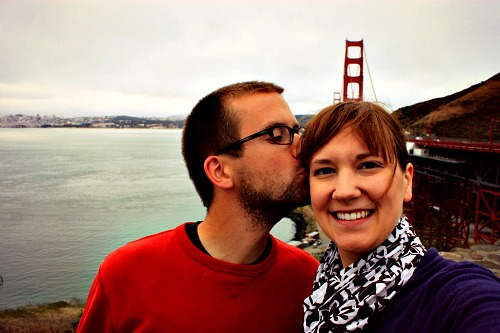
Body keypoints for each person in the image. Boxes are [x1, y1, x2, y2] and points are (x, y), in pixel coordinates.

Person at [77, 81, 319, 332]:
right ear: (220, 171)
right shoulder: (126, 274)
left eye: (297, 131)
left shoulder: (307, 278)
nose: (302, 146)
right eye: (277, 135)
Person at [301, 101, 500, 332]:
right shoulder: (318, 286)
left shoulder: (459, 297)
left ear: (407, 181)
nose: (345, 191)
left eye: (368, 165)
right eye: (324, 171)